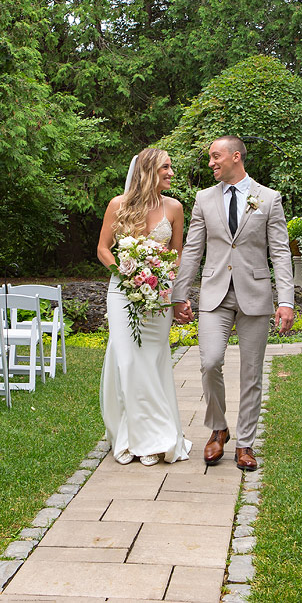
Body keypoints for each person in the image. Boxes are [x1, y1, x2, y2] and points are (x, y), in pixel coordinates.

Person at [171, 136, 294, 471]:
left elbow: (280, 252)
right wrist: (178, 295)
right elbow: (193, 250)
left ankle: (246, 444)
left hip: (255, 293)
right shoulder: (203, 199)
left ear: (235, 157)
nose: (211, 163)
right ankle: (218, 428)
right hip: (214, 293)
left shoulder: (268, 198)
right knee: (210, 363)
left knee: (251, 372)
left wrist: (287, 300)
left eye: (216, 156)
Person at [96, 147, 192, 466]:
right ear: (149, 169)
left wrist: (165, 281)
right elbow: (103, 249)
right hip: (122, 293)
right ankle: (131, 436)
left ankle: (156, 438)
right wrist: (127, 276)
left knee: (152, 361)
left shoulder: (175, 208)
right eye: (166, 167)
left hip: (159, 295)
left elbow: (176, 255)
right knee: (128, 362)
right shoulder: (118, 205)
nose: (171, 173)